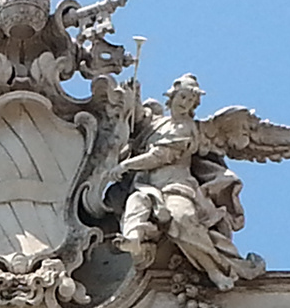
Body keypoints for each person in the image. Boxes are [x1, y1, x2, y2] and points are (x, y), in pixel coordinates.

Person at [115, 75, 270, 290]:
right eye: (183, 96)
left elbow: (162, 156)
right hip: (147, 185)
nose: (185, 102)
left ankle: (216, 269)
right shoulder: (157, 122)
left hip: (176, 187)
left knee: (182, 220)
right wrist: (134, 93)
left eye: (190, 101)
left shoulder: (187, 128)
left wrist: (125, 166)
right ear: (172, 96)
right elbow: (138, 118)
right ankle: (133, 239)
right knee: (135, 204)